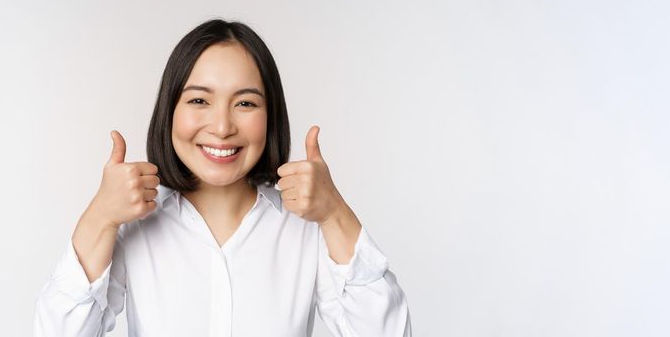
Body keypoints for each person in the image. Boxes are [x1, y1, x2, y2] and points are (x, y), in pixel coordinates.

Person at [33, 18, 412, 337]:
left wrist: (335, 213)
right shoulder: (133, 226)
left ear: (271, 115)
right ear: (170, 110)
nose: (221, 126)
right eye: (199, 100)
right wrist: (99, 217)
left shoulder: (306, 229)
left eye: (245, 103)